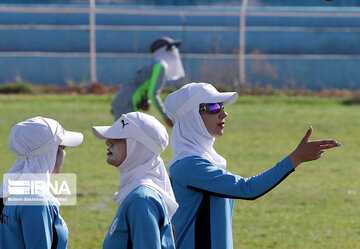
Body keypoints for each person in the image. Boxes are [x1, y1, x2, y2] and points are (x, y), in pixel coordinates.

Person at [164, 82, 341, 249]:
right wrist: (296, 158)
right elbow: (247, 188)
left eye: (222, 107)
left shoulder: (205, 161)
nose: (223, 113)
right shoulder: (189, 166)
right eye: (213, 107)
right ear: (191, 117)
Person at [92, 111, 178, 249]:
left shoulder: (142, 199)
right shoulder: (140, 193)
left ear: (138, 146)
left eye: (118, 137)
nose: (108, 141)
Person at [0, 116, 83, 249]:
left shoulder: (9, 189)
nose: (63, 155)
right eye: (62, 148)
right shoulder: (36, 202)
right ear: (49, 154)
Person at [111, 36, 185, 127]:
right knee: (127, 137)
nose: (175, 51)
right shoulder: (161, 66)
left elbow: (145, 87)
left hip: (124, 100)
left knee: (129, 137)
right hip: (126, 102)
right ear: (162, 50)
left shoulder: (156, 64)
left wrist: (145, 101)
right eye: (171, 48)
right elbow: (153, 93)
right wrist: (166, 116)